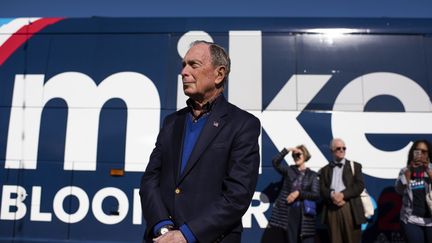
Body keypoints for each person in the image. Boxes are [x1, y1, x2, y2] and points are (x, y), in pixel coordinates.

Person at [139, 40, 261, 243]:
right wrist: (162, 227)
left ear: (219, 74)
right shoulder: (171, 122)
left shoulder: (243, 124)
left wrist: (186, 235)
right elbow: (150, 179)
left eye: (193, 65)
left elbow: (237, 195)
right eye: (183, 65)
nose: (184, 72)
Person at [262, 145, 319, 243]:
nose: (296, 157)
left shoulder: (312, 175)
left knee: (306, 240)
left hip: (305, 213)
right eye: (294, 155)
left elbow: (315, 194)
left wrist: (298, 193)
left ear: (305, 155)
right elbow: (275, 162)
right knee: (290, 240)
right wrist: (287, 150)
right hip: (289, 212)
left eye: (298, 154)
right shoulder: (289, 170)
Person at [319, 138, 367, 243]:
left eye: (344, 148)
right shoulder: (324, 170)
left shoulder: (355, 166)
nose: (342, 150)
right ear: (331, 150)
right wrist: (332, 195)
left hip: (349, 207)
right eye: (338, 148)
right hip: (332, 208)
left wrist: (342, 195)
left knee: (352, 240)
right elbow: (321, 188)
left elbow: (359, 185)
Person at [395, 139, 432, 243]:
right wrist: (408, 173)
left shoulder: (431, 169)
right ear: (413, 153)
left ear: (429, 154)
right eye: (417, 151)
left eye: (424, 152)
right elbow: (398, 190)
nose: (420, 154)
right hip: (411, 219)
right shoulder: (405, 170)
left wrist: (428, 170)